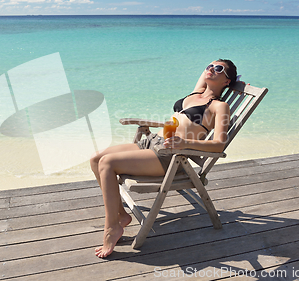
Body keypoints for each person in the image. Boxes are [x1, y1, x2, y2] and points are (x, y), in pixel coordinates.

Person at [90, 59, 237, 258]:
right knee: (96, 159)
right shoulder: (196, 93)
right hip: (152, 141)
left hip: (170, 156)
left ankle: (111, 228)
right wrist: (214, 70)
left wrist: (184, 143)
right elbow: (205, 75)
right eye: (209, 65)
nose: (211, 69)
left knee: (108, 163)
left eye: (219, 68)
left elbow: (219, 144)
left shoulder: (220, 106)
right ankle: (122, 216)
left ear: (227, 81)